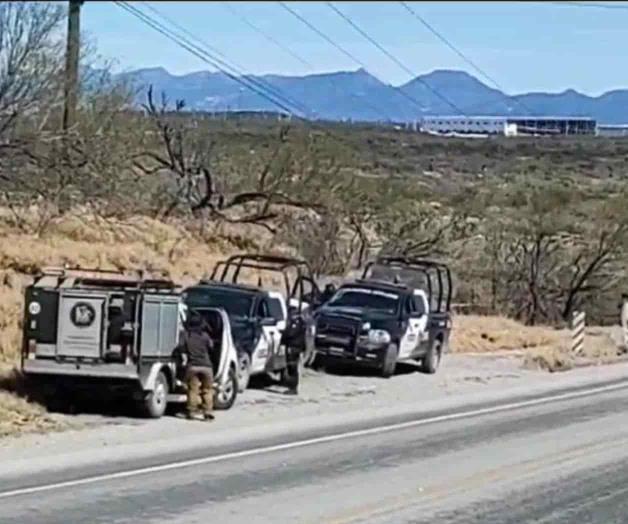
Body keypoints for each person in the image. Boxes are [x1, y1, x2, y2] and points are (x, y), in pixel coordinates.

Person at [176, 312, 215, 421]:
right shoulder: (205, 336)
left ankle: (192, 412)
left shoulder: (186, 335)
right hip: (207, 367)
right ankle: (207, 412)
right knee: (207, 390)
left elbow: (180, 347)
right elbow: (211, 347)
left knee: (193, 389)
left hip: (193, 366)